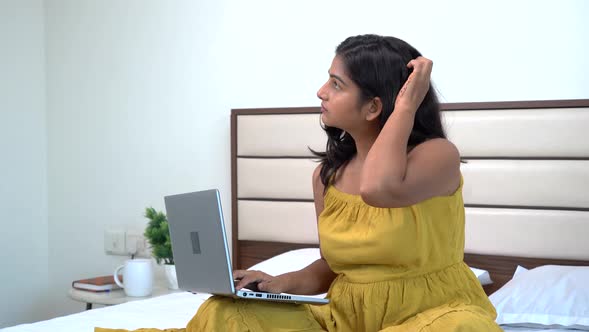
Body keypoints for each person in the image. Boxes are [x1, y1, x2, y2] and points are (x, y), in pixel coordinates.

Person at [97, 34, 501, 332]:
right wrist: (272, 284)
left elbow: (380, 190)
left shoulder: (437, 156)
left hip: (434, 316)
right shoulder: (327, 176)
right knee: (229, 316)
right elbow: (332, 266)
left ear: (375, 106)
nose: (321, 92)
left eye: (337, 84)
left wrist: (408, 104)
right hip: (346, 319)